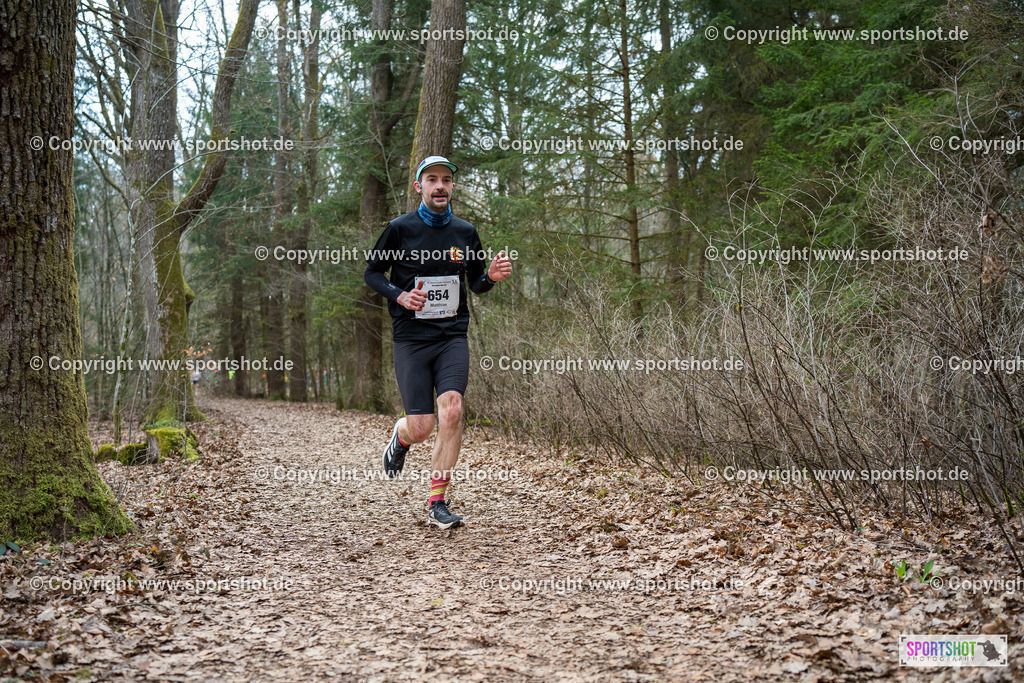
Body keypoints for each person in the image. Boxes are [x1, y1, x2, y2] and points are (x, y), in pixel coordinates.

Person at [364, 155, 512, 529]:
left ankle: (437, 501)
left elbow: (476, 284)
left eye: (446, 179)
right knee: (421, 427)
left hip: (451, 336)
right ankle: (400, 439)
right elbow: (371, 272)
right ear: (419, 186)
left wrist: (490, 277)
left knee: (453, 410)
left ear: (453, 187)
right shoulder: (400, 228)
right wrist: (399, 296)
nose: (440, 185)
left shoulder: (465, 231)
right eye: (432, 179)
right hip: (411, 338)